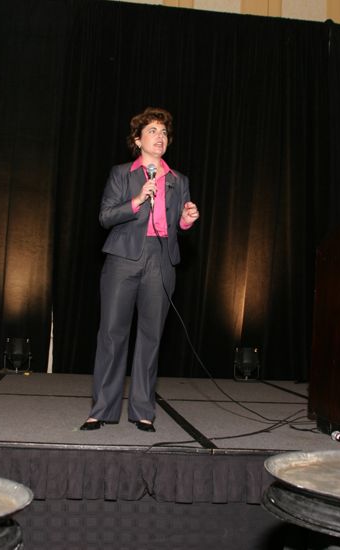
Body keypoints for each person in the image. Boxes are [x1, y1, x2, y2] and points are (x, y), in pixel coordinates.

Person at [80, 107, 199, 433]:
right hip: (123, 259)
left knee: (150, 338)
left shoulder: (178, 181)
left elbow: (179, 224)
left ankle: (143, 411)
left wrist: (187, 220)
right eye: (153, 131)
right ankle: (101, 409)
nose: (160, 137)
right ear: (138, 139)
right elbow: (105, 216)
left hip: (160, 262)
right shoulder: (122, 174)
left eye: (164, 133)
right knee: (112, 335)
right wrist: (136, 200)